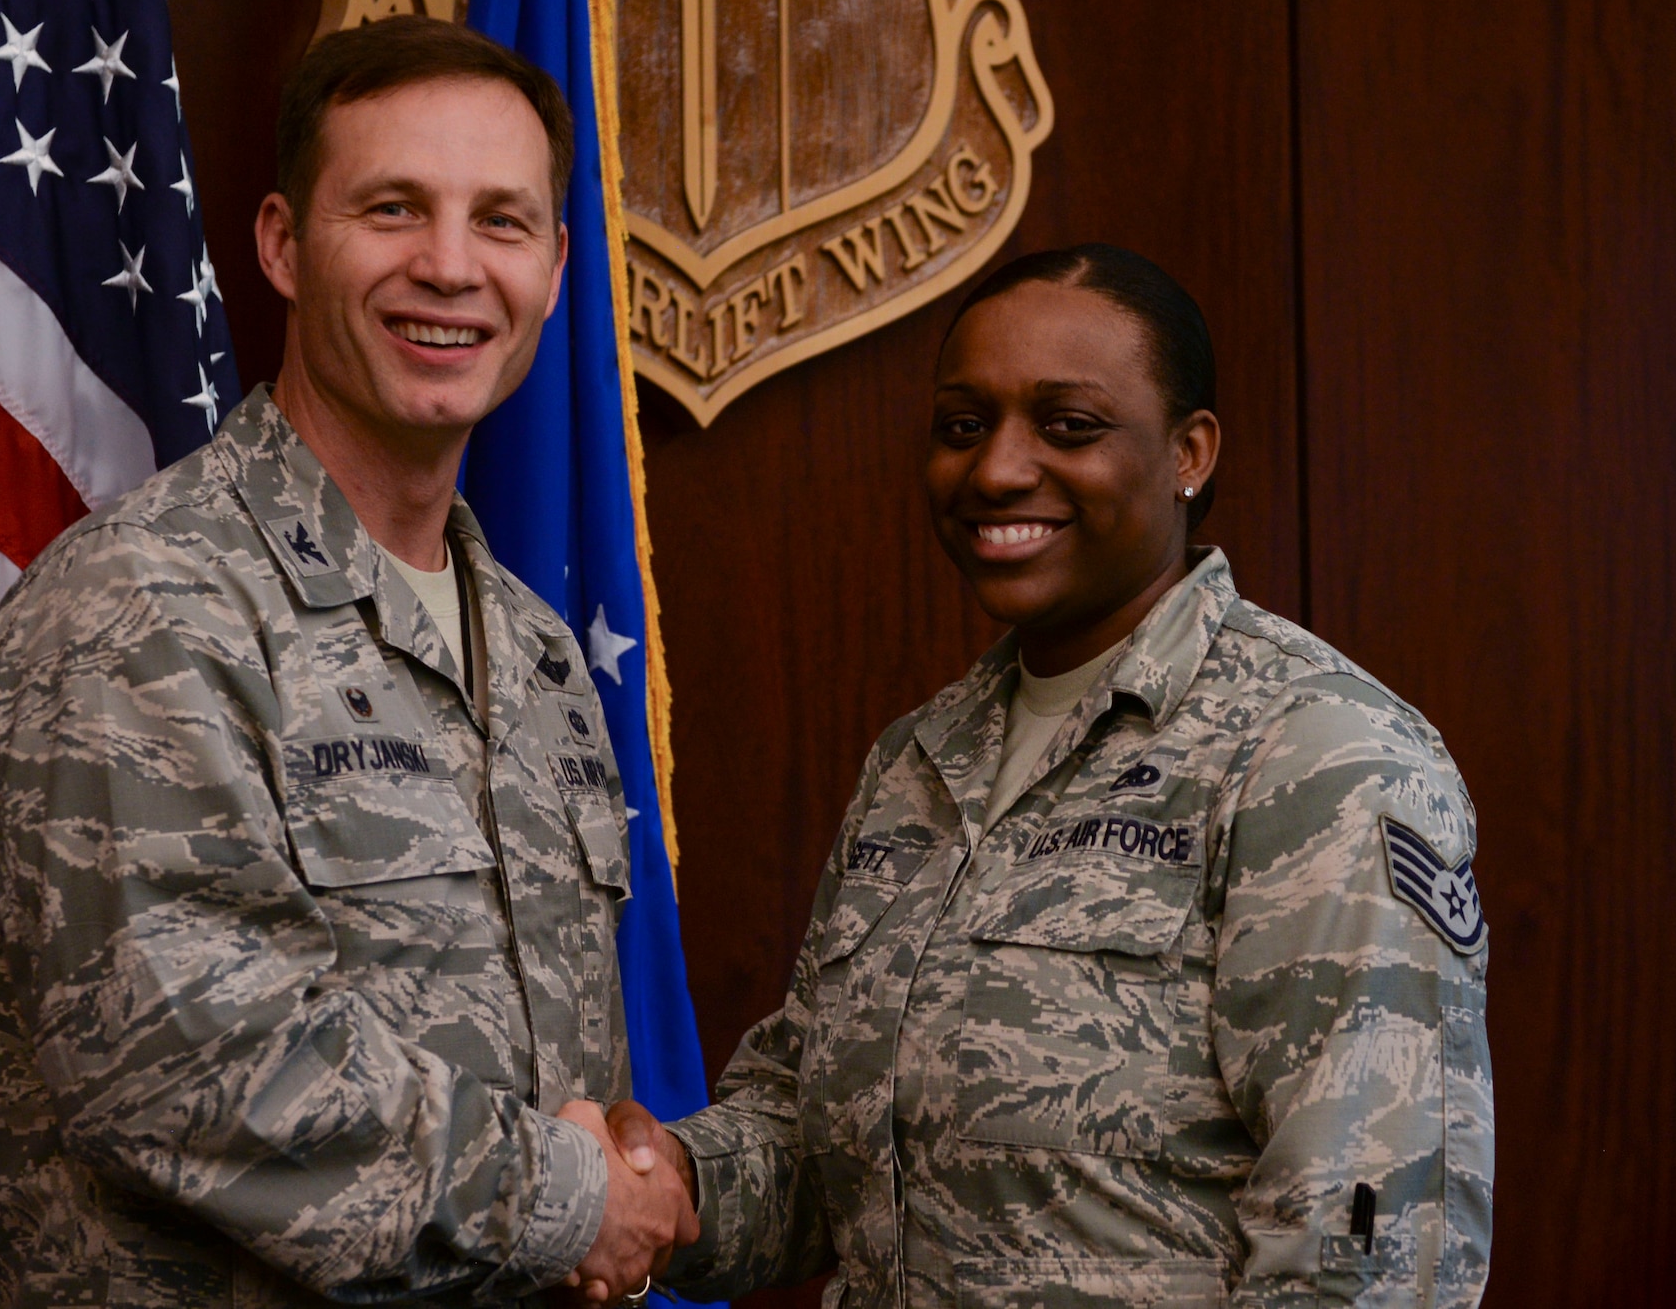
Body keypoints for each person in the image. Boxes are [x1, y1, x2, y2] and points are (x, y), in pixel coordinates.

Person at [0, 17, 695, 1307]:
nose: (452, 267)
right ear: (283, 245)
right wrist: (574, 1202)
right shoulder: (142, 608)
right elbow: (186, 1072)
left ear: (557, 265)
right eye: (394, 208)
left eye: (502, 221)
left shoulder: (531, 650)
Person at [601, 245, 1493, 1306]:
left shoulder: (1313, 754)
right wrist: (660, 1184)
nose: (996, 471)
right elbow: (813, 1145)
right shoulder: (918, 759)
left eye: (1066, 426)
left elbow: (1367, 1252)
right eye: (962, 426)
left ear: (1187, 454)